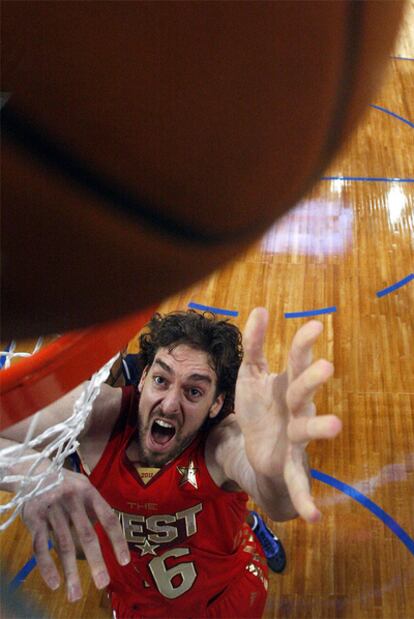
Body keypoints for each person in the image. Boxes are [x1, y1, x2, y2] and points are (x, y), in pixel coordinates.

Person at [0, 307, 341, 618]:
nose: (169, 405)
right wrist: (32, 476)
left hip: (224, 601)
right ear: (144, 376)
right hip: (137, 604)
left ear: (215, 404)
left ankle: (249, 523)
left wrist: (277, 468)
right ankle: (244, 519)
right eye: (161, 380)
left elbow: (282, 505)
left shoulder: (221, 442)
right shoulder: (94, 418)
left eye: (194, 392)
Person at [114, 349, 287, 574]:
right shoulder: (78, 406)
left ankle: (252, 524)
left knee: (215, 505)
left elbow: (228, 435)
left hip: (179, 450)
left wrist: (272, 469)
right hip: (127, 465)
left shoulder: (142, 366)